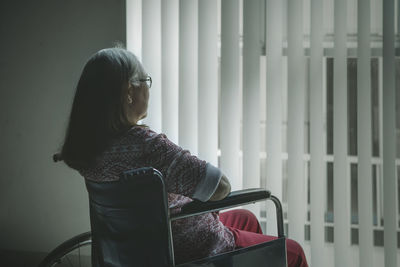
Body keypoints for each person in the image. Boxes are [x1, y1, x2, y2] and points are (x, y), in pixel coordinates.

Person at [55, 47, 308, 266]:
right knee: (293, 252)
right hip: (184, 250)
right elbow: (220, 187)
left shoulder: (88, 147)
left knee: (246, 219)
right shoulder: (149, 147)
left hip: (136, 245)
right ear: (128, 92)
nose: (148, 88)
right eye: (145, 80)